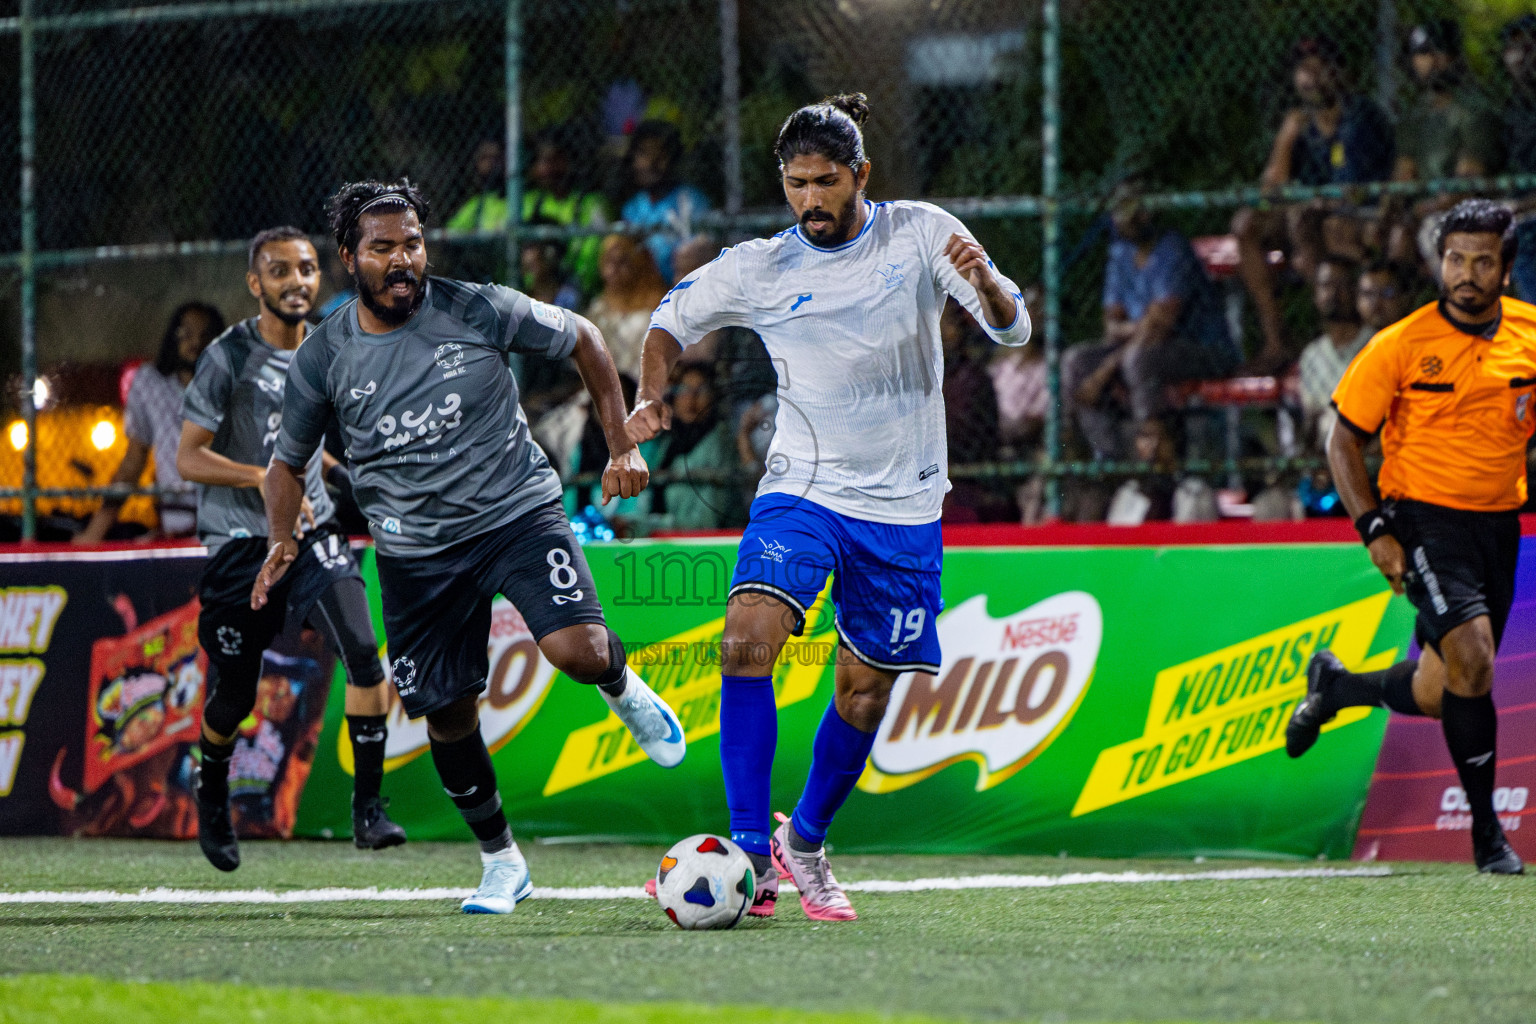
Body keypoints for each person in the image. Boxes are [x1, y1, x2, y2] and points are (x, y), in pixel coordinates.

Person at [629, 94, 1029, 920]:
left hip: (905, 504)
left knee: (863, 696)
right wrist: (647, 404)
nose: (810, 199)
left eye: (826, 181)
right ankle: (747, 854)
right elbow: (667, 325)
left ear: (861, 176)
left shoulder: (918, 232)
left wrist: (986, 283)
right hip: (801, 491)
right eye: (796, 184)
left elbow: (1011, 329)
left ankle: (802, 841)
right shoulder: (763, 265)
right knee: (744, 644)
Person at [252, 180, 686, 915]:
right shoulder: (323, 356)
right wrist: (279, 540)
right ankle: (502, 863)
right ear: (349, 258)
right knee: (449, 715)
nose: (402, 260)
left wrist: (619, 445)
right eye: (383, 248)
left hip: (516, 512)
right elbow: (286, 466)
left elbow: (583, 337)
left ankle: (622, 688)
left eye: (413, 244)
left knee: (577, 651)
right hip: (415, 554)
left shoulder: (476, 306)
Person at [1286, 200, 1536, 875]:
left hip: (1498, 527)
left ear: (1506, 271)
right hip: (1422, 520)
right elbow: (1342, 440)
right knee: (1474, 658)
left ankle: (1336, 688)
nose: (1467, 273)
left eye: (1483, 261)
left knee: (1441, 687)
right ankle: (1488, 834)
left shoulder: (1530, 336)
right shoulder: (1400, 343)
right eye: (1456, 259)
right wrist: (1374, 531)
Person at [178, 226, 406, 872]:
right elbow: (186, 458)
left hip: (312, 534)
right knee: (234, 698)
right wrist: (262, 477)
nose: (296, 281)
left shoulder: (331, 353)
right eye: (279, 272)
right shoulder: (227, 357)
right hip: (241, 544)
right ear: (256, 285)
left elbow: (307, 439)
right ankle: (213, 787)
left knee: (365, 653)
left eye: (306, 269)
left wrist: (337, 475)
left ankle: (369, 808)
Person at [1233, 37, 1395, 366]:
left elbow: (1350, 191)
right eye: (1304, 71)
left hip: (1360, 213)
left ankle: (1343, 333)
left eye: (1321, 69)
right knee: (1246, 225)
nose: (1312, 78)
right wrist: (1286, 137)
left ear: (1340, 73)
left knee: (1315, 226)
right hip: (1309, 215)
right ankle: (1277, 341)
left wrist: (1308, 201)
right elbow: (1271, 189)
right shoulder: (1301, 125)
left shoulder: (1358, 116)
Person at [1062, 187, 1237, 460]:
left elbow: (1161, 326)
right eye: (1122, 212)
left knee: (1138, 360)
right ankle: (1109, 458)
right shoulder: (1120, 254)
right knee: (1077, 362)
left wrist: (1108, 368)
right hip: (1141, 350)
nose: (1129, 219)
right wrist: (1139, 328)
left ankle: (1154, 451)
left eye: (1136, 210)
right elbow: (1113, 325)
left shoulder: (1172, 248)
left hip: (1202, 348)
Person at [75, 303, 224, 543]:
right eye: (185, 333)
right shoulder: (150, 383)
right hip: (176, 525)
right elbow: (134, 460)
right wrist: (95, 533)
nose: (195, 342)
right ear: (172, 338)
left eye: (205, 335)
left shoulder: (232, 387)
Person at [1394, 21, 1505, 280]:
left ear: (1455, 57)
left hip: (1465, 209)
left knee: (1434, 232)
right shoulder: (1415, 115)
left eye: (1438, 51)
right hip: (1421, 208)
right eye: (1422, 53)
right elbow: (1402, 177)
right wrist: (1390, 214)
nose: (1430, 60)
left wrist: (1424, 208)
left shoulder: (1473, 109)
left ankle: (1460, 314)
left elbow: (1466, 183)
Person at [620, 120, 710, 282]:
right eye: (644, 154)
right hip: (645, 290)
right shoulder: (632, 208)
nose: (650, 164)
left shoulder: (691, 201)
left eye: (660, 155)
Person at [1297, 256, 1370, 449]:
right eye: (1326, 286)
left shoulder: (1375, 344)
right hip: (1325, 458)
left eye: (1341, 285)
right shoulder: (1311, 355)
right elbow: (1311, 421)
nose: (1333, 294)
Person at [585, 234, 669, 381]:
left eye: (622, 262)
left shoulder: (659, 307)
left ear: (638, 263)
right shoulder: (598, 308)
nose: (613, 270)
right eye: (609, 262)